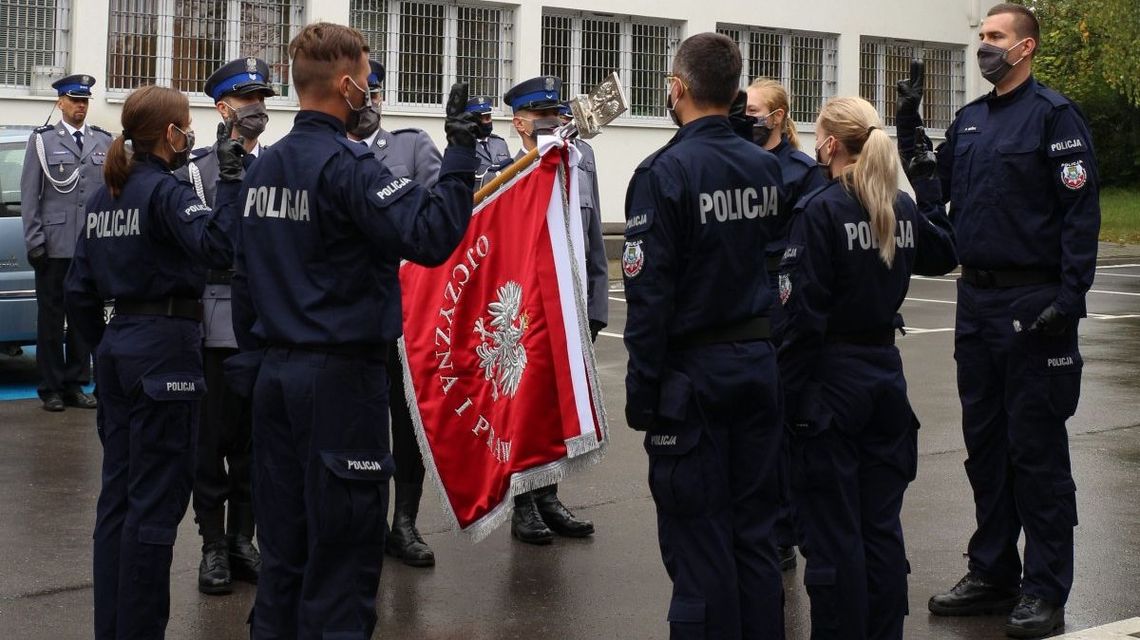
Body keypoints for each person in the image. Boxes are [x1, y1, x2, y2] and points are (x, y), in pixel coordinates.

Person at [230, 22, 481, 638]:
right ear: (345, 84)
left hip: (274, 375)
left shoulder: (263, 170)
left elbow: (241, 279)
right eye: (367, 78)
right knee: (342, 566)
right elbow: (429, 236)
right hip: (339, 383)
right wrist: (459, 153)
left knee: (285, 559)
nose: (371, 89)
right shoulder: (350, 165)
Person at [926, 5, 1100, 638]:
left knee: (1036, 452)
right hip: (976, 303)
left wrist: (1070, 297)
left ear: (1024, 48)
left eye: (995, 37)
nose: (984, 46)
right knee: (986, 447)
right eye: (982, 37)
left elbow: (1080, 216)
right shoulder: (969, 122)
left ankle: (1045, 587)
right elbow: (936, 202)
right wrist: (917, 140)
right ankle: (993, 570)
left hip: (1034, 307)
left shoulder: (1055, 117)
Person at [63, 85, 245, 639]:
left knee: (116, 503)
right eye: (186, 125)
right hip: (165, 349)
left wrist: (107, 349)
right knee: (155, 509)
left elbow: (77, 293)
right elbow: (218, 247)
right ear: (170, 134)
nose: (190, 133)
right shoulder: (164, 193)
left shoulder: (103, 199)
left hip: (119, 349)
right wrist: (232, 185)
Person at [623, 32, 785, 638]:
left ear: (679, 88)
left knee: (699, 546)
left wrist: (645, 397)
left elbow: (649, 298)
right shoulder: (764, 164)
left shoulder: (664, 172)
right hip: (756, 366)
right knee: (754, 538)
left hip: (693, 381)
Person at [777, 96, 957, 640]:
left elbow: (801, 319)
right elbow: (944, 252)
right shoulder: (898, 206)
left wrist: (786, 399)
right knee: (880, 529)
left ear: (830, 143)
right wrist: (927, 188)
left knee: (833, 536)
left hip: (832, 387)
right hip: (884, 380)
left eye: (819, 135)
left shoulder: (823, 210)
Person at [175, 56, 275, 596]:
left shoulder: (280, 165)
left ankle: (244, 538)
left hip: (265, 322)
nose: (258, 110)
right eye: (247, 102)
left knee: (256, 442)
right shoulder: (195, 170)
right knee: (211, 440)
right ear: (223, 109)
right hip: (213, 324)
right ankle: (213, 543)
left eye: (263, 100)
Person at [346, 58, 443, 568]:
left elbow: (439, 215)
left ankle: (403, 522)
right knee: (357, 423)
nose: (371, 102)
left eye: (377, 94)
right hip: (349, 314)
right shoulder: (327, 152)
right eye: (365, 92)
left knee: (407, 423)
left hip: (409, 314)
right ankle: (361, 521)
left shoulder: (409, 146)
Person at [503, 76, 602, 546]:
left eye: (556, 114)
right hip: (522, 313)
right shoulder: (504, 171)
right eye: (541, 116)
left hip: (570, 305)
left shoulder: (580, 162)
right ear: (519, 123)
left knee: (562, 404)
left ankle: (549, 496)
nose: (553, 122)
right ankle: (522, 502)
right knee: (525, 410)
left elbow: (592, 235)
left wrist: (596, 305)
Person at [745, 77, 828, 572]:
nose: (747, 117)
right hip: (741, 300)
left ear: (777, 117)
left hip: (781, 299)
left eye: (754, 110)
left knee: (782, 421)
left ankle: (783, 530)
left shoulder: (801, 170)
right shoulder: (737, 162)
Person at [20, 74, 111, 412]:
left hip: (88, 247)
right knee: (51, 320)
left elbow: (108, 194)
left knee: (82, 319)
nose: (80, 107)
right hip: (54, 246)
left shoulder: (102, 141)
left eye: (85, 101)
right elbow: (31, 196)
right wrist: (34, 242)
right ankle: (51, 387)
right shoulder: (43, 142)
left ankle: (75, 383)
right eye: (74, 100)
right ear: (61, 102)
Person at [467, 95, 513, 187]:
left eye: (489, 117)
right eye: (485, 118)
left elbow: (509, 173)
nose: (488, 122)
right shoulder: (464, 147)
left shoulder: (500, 143)